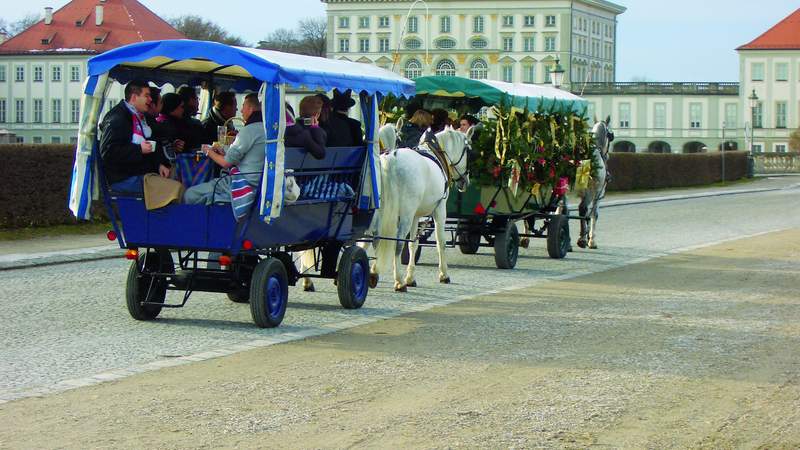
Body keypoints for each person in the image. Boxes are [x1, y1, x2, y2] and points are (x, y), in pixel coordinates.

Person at [183, 93, 265, 205]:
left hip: (240, 184)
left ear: (250, 109)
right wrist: (224, 151)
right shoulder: (267, 130)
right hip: (259, 183)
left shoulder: (249, 130)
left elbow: (226, 163)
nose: (240, 110)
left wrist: (208, 151)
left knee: (189, 194)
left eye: (243, 106)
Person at [99, 79, 171, 192]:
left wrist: (159, 165)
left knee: (175, 179)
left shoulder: (139, 116)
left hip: (139, 173)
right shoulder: (117, 118)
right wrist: (139, 149)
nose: (150, 99)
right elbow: (108, 153)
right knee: (172, 189)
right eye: (146, 96)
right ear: (134, 98)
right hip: (123, 179)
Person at [176, 85, 205, 151]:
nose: (198, 102)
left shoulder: (171, 121)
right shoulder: (196, 125)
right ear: (191, 100)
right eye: (197, 99)